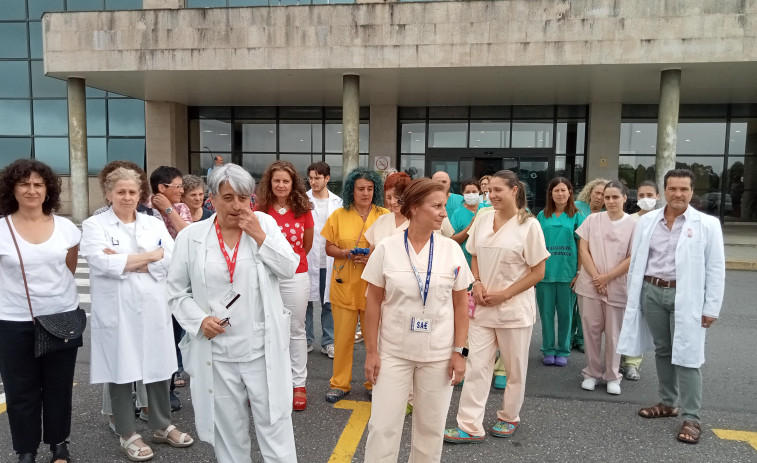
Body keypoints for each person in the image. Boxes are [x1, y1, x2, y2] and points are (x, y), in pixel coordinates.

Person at [168, 164, 299, 462]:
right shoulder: (192, 237)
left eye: (243, 197)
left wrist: (259, 236)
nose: (237, 205)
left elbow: (289, 267)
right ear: (211, 199)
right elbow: (176, 293)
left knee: (275, 425)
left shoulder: (263, 223)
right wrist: (199, 320)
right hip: (218, 353)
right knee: (228, 432)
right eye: (228, 198)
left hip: (261, 350)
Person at [81, 167, 194, 462]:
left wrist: (125, 262)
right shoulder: (95, 225)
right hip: (117, 309)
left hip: (154, 306)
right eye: (120, 192)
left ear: (140, 194)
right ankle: (127, 432)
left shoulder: (152, 223)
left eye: (132, 192)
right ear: (108, 194)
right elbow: (99, 261)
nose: (127, 197)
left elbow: (172, 258)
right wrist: (149, 257)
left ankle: (160, 424)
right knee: (121, 368)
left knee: (158, 365)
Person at [362, 179, 473, 461]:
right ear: (413, 208)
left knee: (431, 428)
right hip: (393, 352)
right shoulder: (386, 248)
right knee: (383, 426)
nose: (444, 213)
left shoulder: (451, 249)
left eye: (444, 206)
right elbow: (372, 302)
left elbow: (461, 305)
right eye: (436, 206)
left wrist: (460, 352)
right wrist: (372, 352)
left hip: (438, 353)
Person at [618, 169, 725, 445]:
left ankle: (692, 417)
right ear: (665, 191)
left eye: (684, 189)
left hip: (686, 296)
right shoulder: (647, 222)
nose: (678, 194)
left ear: (691, 192)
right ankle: (668, 403)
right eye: (673, 188)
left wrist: (711, 307)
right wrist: (636, 295)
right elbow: (639, 260)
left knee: (688, 356)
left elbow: (716, 268)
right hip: (652, 292)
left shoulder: (707, 224)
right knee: (663, 350)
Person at [444, 170, 549, 443]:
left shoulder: (529, 225)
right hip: (482, 306)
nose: (491, 196)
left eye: (498, 190)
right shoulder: (483, 217)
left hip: (514, 310)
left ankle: (508, 416)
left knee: (515, 370)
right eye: (489, 191)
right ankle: (469, 425)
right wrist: (476, 282)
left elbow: (538, 271)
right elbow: (474, 253)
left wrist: (505, 294)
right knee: (477, 365)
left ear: (515, 190)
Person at [0, 160, 82, 463]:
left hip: (62, 317)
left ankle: (59, 444)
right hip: (12, 320)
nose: (31, 190)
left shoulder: (66, 228)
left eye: (38, 184)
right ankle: (26, 450)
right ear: (13, 188)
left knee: (59, 387)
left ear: (48, 189)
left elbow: (69, 267)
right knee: (21, 391)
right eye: (24, 184)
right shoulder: (2, 227)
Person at [321, 167, 389, 403]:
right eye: (361, 188)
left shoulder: (384, 215)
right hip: (344, 284)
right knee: (343, 338)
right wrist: (346, 253)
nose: (366, 193)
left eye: (370, 189)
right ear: (352, 190)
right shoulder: (339, 215)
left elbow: (391, 249)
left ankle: (373, 383)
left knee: (375, 339)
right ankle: (339, 384)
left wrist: (372, 256)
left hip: (374, 286)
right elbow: (328, 248)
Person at [256, 161, 314, 411]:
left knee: (295, 329)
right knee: (264, 329)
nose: (280, 185)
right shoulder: (259, 209)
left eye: (286, 181)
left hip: (295, 275)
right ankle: (266, 384)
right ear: (270, 183)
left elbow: (306, 245)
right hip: (265, 276)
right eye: (276, 180)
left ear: (293, 184)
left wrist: (288, 263)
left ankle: (297, 384)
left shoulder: (303, 208)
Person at [573, 180, 636, 395]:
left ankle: (612, 375)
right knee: (590, 331)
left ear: (624, 198)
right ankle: (591, 372)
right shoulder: (592, 220)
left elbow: (632, 257)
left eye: (615, 197)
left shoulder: (633, 224)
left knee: (613, 334)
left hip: (617, 285)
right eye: (606, 197)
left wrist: (607, 278)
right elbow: (584, 250)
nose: (609, 201)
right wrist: (596, 277)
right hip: (590, 284)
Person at [536, 177, 585, 367]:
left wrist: (579, 272)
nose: (560, 194)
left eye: (564, 190)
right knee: (546, 313)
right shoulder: (542, 216)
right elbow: (535, 244)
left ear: (570, 192)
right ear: (551, 193)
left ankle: (563, 350)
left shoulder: (577, 215)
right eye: (556, 190)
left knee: (566, 314)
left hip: (568, 273)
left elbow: (582, 246)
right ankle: (548, 349)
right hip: (545, 273)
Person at [620, 180, 660, 381]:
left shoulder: (661, 220)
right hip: (623, 276)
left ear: (658, 197)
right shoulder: (629, 220)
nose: (645, 199)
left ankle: (632, 363)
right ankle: (616, 359)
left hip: (647, 279)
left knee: (638, 320)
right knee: (620, 321)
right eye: (642, 195)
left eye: (650, 195)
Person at [305, 162, 342, 359]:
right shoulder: (302, 200)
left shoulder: (338, 203)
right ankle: (306, 339)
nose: (313, 182)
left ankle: (328, 341)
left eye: (317, 178)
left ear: (327, 178)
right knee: (306, 301)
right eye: (310, 178)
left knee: (329, 302)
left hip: (328, 259)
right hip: (308, 257)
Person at [571, 177, 608, 353]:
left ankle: (581, 338)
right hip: (574, 261)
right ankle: (568, 336)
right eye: (597, 193)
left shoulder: (608, 214)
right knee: (570, 304)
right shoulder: (577, 206)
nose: (599, 197)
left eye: (603, 194)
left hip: (597, 264)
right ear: (590, 192)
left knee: (586, 307)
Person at [365, 171, 412, 248]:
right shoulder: (381, 220)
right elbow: (372, 249)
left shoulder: (418, 223)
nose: (393, 202)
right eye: (389, 197)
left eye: (397, 197)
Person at [149, 166, 191, 239]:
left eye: (181, 186)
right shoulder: (142, 208)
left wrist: (169, 209)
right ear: (162, 188)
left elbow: (188, 235)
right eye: (178, 187)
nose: (182, 191)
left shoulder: (181, 207)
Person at [449, 178, 484, 268]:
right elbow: (453, 240)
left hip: (485, 258)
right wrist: (470, 226)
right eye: (467, 192)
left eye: (474, 191)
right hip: (466, 259)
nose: (471, 194)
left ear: (479, 191)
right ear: (463, 194)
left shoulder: (486, 209)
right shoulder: (457, 213)